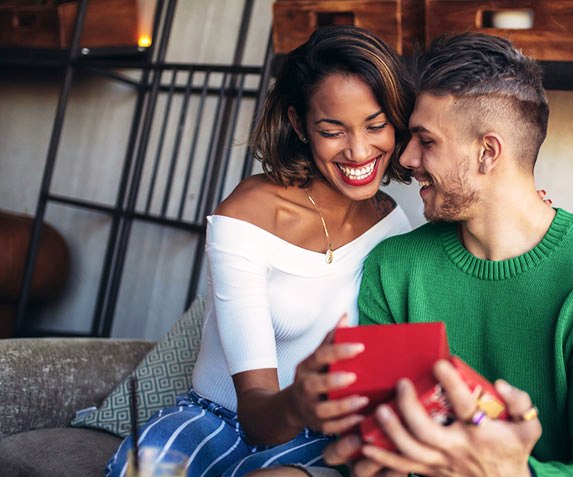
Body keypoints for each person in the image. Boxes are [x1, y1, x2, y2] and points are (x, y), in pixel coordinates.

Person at [324, 33, 573, 476]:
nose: (405, 158)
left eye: (425, 141)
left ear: (487, 153)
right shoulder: (395, 266)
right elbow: (376, 440)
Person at [106, 25, 415, 477]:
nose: (359, 150)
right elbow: (254, 413)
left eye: (376, 125)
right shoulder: (245, 218)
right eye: (333, 130)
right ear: (298, 124)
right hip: (216, 422)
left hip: (320, 440)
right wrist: (301, 396)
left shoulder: (394, 228)